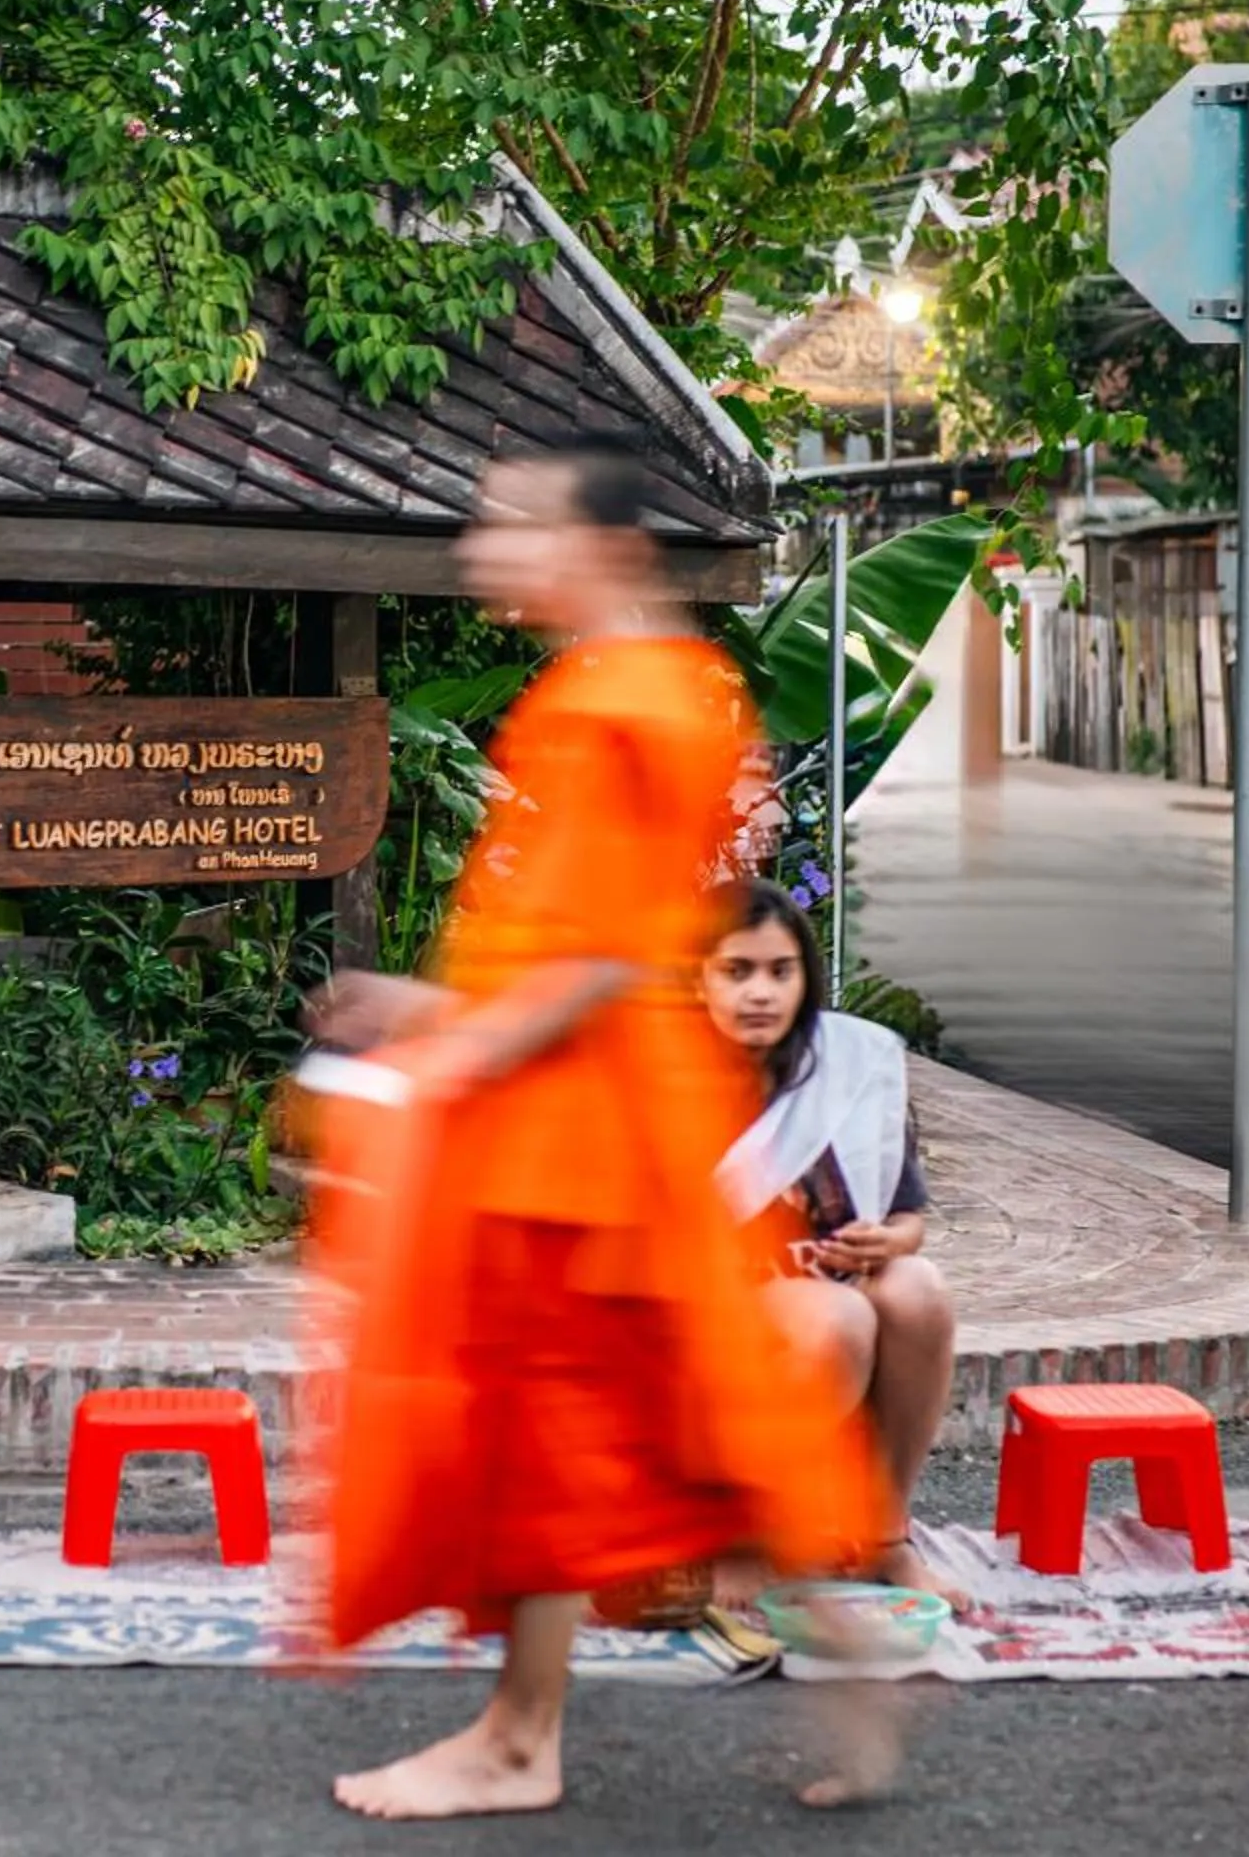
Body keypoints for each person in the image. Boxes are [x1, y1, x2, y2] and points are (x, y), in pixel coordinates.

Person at [301, 448, 890, 1822]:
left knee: (560, 1422)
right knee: (660, 1415)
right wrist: (435, 1011)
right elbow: (586, 943)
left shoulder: (612, 703)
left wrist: (444, 1053)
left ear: (602, 549)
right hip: (621, 1106)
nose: (484, 549)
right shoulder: (682, 683)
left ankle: (520, 1740)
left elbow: (592, 957)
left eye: (513, 525)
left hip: (568, 1128)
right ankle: (847, 1651)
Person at [703, 880, 964, 1608]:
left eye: (780, 972)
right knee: (836, 1319)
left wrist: (887, 1240)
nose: (761, 993)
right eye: (738, 971)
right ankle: (751, 1536)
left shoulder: (844, 1066)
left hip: (824, 1280)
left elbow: (909, 1213)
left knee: (918, 1290)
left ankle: (884, 1538)